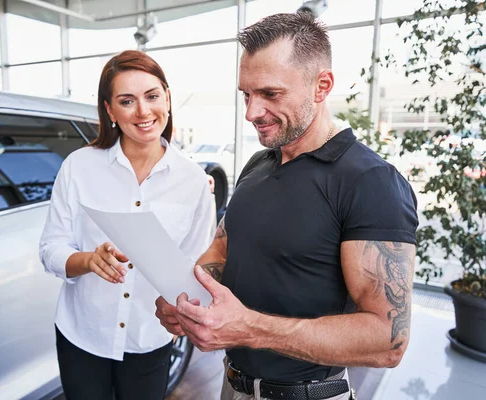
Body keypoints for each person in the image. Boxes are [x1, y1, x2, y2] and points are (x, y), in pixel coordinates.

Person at [155, 12, 419, 400]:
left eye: (270, 94)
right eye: (246, 94)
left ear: (321, 86)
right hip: (234, 386)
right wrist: (186, 300)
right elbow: (223, 250)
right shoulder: (259, 163)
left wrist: (249, 328)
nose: (251, 112)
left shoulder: (371, 182)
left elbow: (388, 340)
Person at [39, 50, 214, 400]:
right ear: (109, 110)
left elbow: (197, 266)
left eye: (152, 96)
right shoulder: (79, 167)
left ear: (167, 96)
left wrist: (189, 311)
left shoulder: (194, 181)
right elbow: (50, 249)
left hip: (149, 336)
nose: (144, 112)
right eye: (127, 101)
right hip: (82, 333)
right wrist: (88, 260)